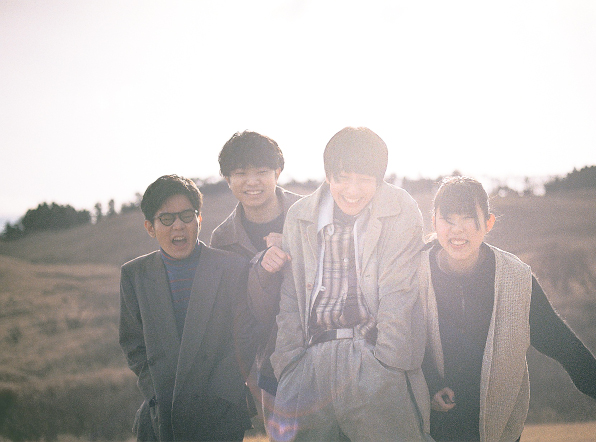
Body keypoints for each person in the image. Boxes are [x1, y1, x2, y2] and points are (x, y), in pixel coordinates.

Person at [421, 176, 596, 442]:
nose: (457, 230)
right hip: (431, 420)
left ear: (488, 223)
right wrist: (431, 385)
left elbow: (554, 334)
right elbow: (401, 336)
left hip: (497, 420)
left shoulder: (515, 277)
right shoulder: (415, 272)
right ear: (434, 222)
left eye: (468, 219)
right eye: (448, 220)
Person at [270, 126, 430, 441]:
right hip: (309, 363)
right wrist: (289, 363)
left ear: (379, 179)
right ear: (328, 176)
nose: (352, 191)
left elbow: (399, 292)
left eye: (364, 180)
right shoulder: (300, 215)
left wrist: (389, 362)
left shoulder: (400, 207)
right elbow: (290, 297)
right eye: (343, 178)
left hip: (373, 358)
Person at [119, 174, 257, 441]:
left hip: (220, 413)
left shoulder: (232, 267)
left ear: (199, 219)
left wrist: (222, 394)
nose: (178, 226)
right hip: (162, 413)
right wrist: (157, 392)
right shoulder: (134, 275)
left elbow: (245, 336)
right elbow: (132, 344)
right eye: (166, 219)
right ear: (150, 227)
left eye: (186, 215)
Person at [210, 130, 301, 436]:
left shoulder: (308, 214)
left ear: (278, 172)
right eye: (240, 173)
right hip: (269, 367)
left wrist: (291, 246)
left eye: (261, 171)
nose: (252, 182)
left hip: (321, 349)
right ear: (227, 179)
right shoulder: (223, 240)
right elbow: (234, 314)